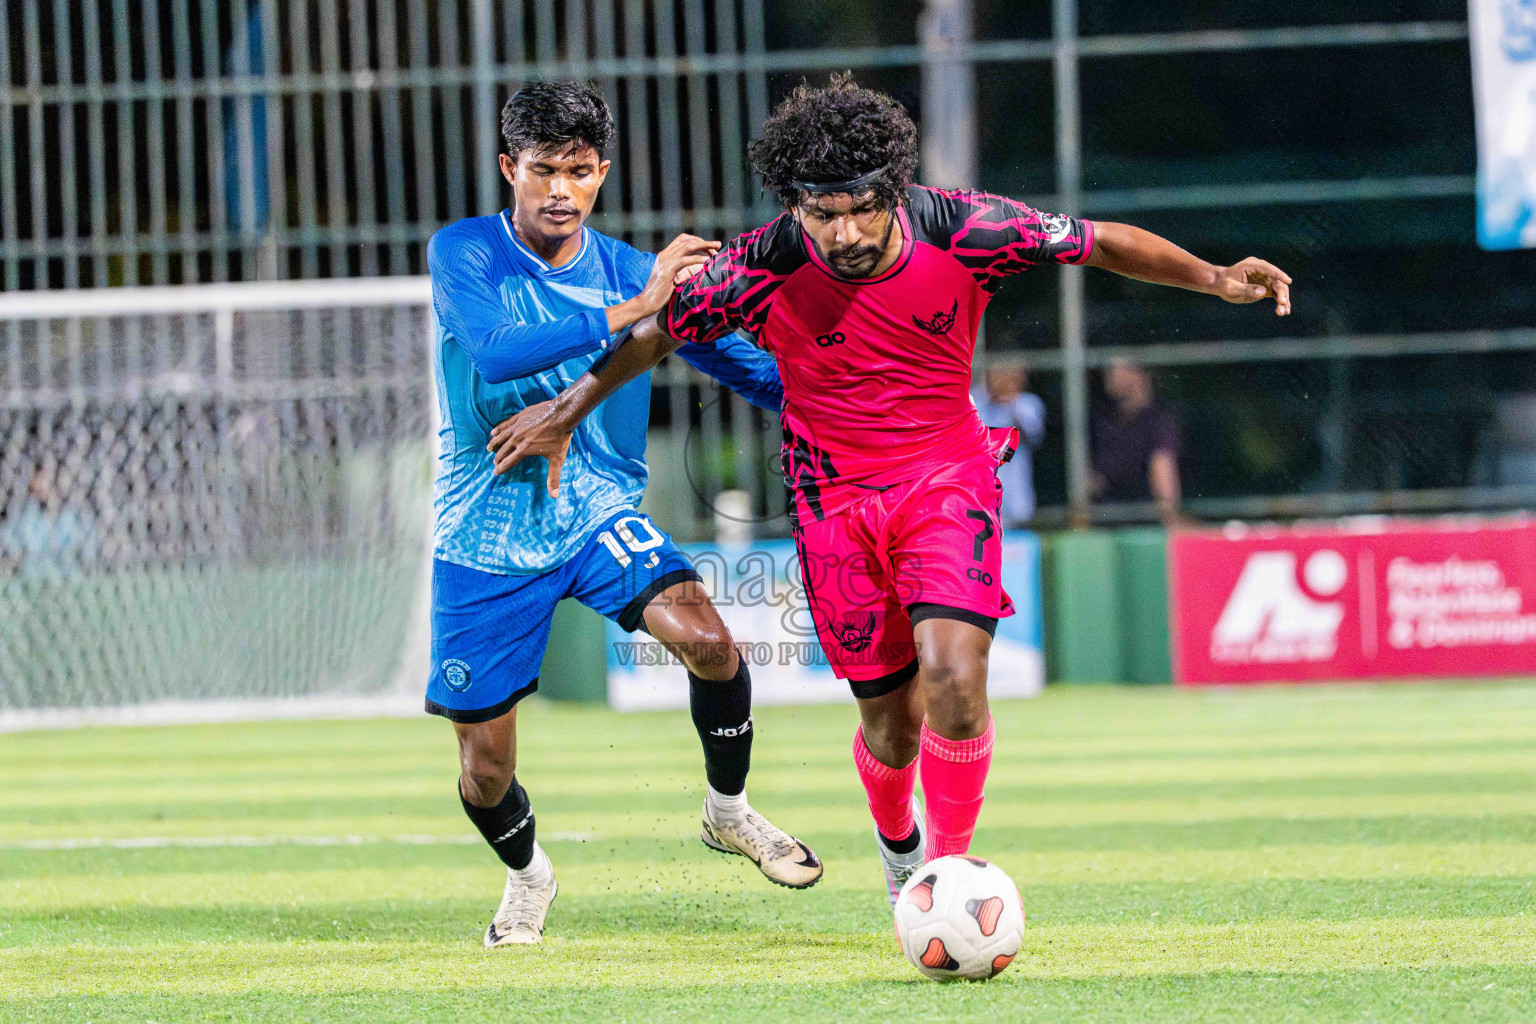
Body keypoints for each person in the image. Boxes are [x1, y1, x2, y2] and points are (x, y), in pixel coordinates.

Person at [486, 75, 1291, 908]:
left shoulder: (970, 228)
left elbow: (1100, 241)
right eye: (820, 211)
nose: (842, 231)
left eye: (861, 207)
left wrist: (1217, 279)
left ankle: (945, 877)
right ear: (795, 204)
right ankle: (898, 841)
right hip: (832, 504)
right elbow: (658, 334)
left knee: (954, 679)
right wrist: (567, 411)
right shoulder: (757, 266)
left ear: (894, 191)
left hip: (948, 477)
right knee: (890, 724)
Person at [426, 82, 821, 948]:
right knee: (485, 771)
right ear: (509, 169)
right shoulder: (465, 253)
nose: (559, 190)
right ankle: (529, 878)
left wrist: (858, 396)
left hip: (595, 509)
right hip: (484, 530)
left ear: (601, 173)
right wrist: (641, 306)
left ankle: (729, 812)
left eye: (577, 171)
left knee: (712, 643)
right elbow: (495, 353)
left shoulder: (627, 265)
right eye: (542, 171)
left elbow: (750, 369)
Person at [1092, 358, 1182, 524]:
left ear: (1140, 375)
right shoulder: (1102, 418)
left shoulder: (1159, 420)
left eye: (1118, 369)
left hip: (1145, 523)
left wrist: (1169, 517)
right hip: (1106, 520)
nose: (1110, 374)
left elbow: (1162, 471)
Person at [971, 365, 1046, 527]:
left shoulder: (1029, 403)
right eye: (1000, 372)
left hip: (1016, 494)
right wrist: (991, 399)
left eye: (1012, 373)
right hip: (981, 494)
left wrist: (1010, 404)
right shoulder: (976, 401)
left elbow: (1034, 438)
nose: (1005, 378)